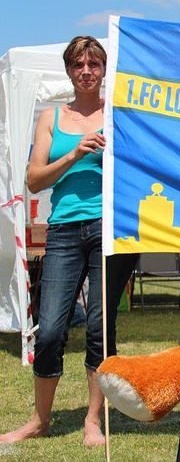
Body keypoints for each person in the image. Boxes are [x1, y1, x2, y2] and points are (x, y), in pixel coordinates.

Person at [0, 36, 138, 447]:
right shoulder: (51, 118)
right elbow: (34, 178)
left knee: (99, 326)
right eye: (78, 65)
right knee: (50, 331)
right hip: (63, 229)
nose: (86, 72)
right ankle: (40, 420)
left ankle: (93, 421)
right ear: (69, 71)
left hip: (109, 229)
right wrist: (75, 154)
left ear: (103, 69)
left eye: (94, 64)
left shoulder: (117, 115)